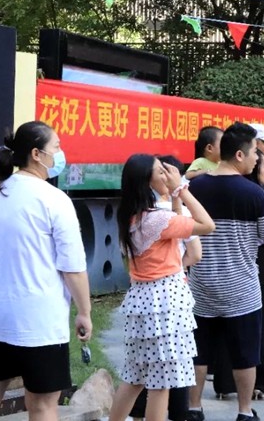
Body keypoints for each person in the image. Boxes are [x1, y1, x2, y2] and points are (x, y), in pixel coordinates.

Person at [0, 121, 92, 421]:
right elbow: (73, 267)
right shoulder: (55, 199)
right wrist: (84, 312)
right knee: (43, 406)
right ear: (36, 154)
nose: (60, 153)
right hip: (38, 323)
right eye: (56, 147)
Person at [108, 154, 214, 421]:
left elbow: (177, 226)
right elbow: (207, 225)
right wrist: (182, 189)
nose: (167, 175)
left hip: (143, 299)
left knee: (135, 377)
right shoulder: (156, 219)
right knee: (161, 383)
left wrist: (175, 196)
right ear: (147, 181)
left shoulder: (133, 216)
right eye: (161, 172)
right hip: (165, 301)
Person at [187, 122, 264, 421]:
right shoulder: (254, 193)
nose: (256, 159)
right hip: (241, 288)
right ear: (239, 155)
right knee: (245, 354)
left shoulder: (195, 188)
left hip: (201, 285)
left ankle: (194, 408)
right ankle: (244, 411)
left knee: (198, 351)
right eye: (254, 153)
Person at [212, 149, 264, 400]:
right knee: (257, 321)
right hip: (258, 259)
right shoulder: (263, 198)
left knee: (225, 317)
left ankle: (224, 383)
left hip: (224, 258)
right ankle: (258, 382)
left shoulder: (221, 193)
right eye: (263, 166)